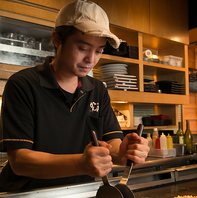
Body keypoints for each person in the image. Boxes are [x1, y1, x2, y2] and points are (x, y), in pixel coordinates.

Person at [0, 0, 149, 192]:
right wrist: (81, 163)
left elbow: (111, 145)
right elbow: (20, 162)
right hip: (26, 194)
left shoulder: (97, 89)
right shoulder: (23, 85)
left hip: (81, 192)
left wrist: (125, 152)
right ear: (57, 39)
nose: (91, 60)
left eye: (99, 51)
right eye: (83, 48)